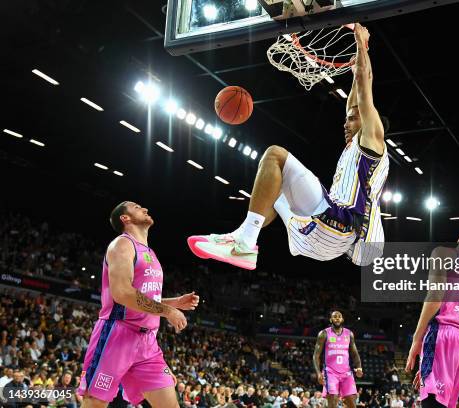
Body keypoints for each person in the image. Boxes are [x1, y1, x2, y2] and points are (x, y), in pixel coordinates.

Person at [188, 23, 389, 270]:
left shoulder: (373, 140)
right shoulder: (353, 150)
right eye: (347, 118)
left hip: (340, 226)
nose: (346, 122)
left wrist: (362, 43)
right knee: (273, 187)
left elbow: (363, 81)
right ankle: (241, 237)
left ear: (372, 121)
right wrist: (357, 60)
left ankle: (244, 241)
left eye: (354, 118)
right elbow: (355, 97)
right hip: (319, 239)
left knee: (275, 155)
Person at [77, 201, 200, 408]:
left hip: (147, 341)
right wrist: (167, 311)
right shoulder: (122, 245)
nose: (144, 208)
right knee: (95, 402)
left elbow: (141, 298)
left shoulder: (150, 253)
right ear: (125, 218)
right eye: (136, 207)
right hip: (117, 333)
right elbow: (123, 294)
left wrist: (174, 302)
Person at [405, 230, 459, 408]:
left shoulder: (443, 253)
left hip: (443, 335)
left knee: (432, 402)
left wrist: (417, 339)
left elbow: (435, 296)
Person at [313, 311, 364, 408]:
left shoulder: (349, 334)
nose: (337, 318)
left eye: (339, 317)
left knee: (352, 402)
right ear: (331, 319)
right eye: (334, 317)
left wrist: (359, 367)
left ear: (342, 319)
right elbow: (316, 355)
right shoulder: (324, 334)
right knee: (333, 400)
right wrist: (319, 373)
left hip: (346, 372)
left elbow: (355, 353)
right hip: (330, 372)